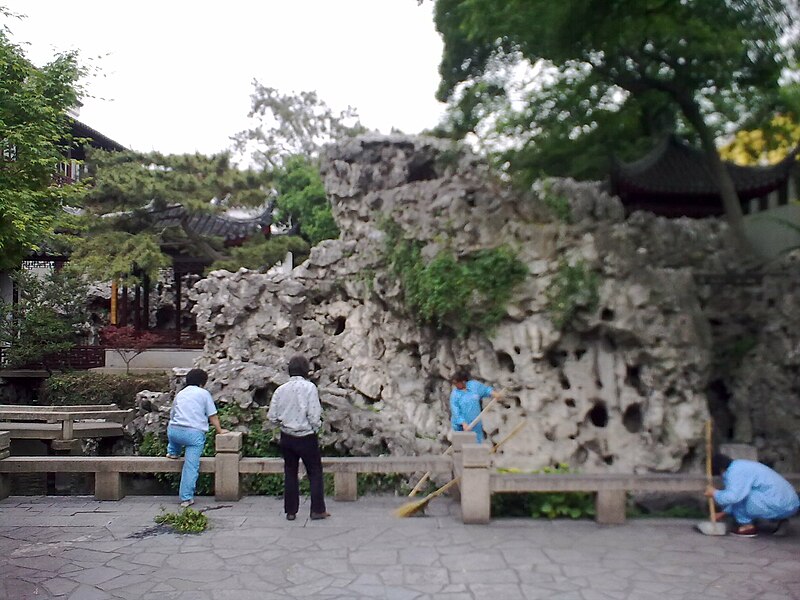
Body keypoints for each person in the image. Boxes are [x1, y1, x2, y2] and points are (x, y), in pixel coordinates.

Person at [268, 354, 329, 522]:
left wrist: (282, 424)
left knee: (290, 472)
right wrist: (316, 428)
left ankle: (290, 511)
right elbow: (313, 414)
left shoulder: (281, 389)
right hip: (306, 436)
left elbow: (272, 416)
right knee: (315, 472)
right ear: (305, 370)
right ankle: (317, 510)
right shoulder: (309, 388)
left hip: (287, 437)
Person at [166, 368, 228, 508]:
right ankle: (186, 498)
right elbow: (212, 415)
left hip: (174, 432)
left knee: (173, 430)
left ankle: (173, 452)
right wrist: (220, 430)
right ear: (202, 382)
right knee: (191, 466)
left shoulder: (180, 394)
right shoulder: (204, 394)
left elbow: (172, 414)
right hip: (193, 435)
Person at [705, 453, 799, 537]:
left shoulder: (735, 473)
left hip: (780, 505)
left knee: (740, 497)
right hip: (789, 504)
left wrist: (714, 493)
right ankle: (780, 519)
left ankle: (747, 527)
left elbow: (734, 497)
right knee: (743, 494)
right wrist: (723, 513)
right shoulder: (739, 466)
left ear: (721, 470)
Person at [449, 368, 499, 443]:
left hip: (476, 422)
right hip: (461, 426)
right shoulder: (455, 394)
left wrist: (494, 393)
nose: (455, 385)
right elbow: (456, 411)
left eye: (456, 383)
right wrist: (463, 423)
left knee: (477, 443)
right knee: (464, 445)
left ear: (463, 381)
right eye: (454, 383)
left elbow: (485, 390)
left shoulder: (474, 386)